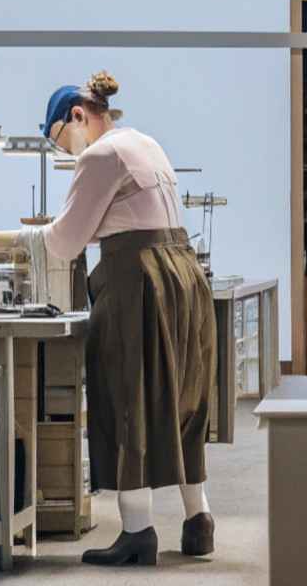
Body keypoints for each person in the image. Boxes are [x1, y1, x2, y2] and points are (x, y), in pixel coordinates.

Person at [22, 71, 217, 566]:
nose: (66, 155)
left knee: (127, 393)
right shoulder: (146, 142)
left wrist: (23, 237)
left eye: (61, 142)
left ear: (77, 117)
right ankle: (199, 521)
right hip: (183, 275)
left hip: (138, 280)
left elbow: (66, 241)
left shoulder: (100, 155)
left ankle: (137, 531)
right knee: (180, 399)